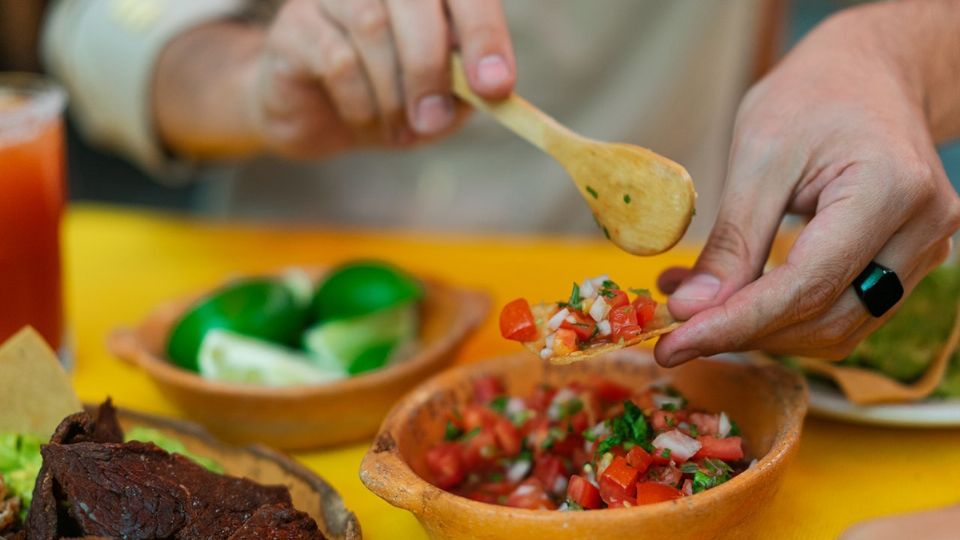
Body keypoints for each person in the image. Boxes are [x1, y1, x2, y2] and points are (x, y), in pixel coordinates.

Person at [41, 0, 960, 366]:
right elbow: (100, 24)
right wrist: (253, 86)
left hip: (664, 326)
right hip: (286, 322)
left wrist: (892, 50)